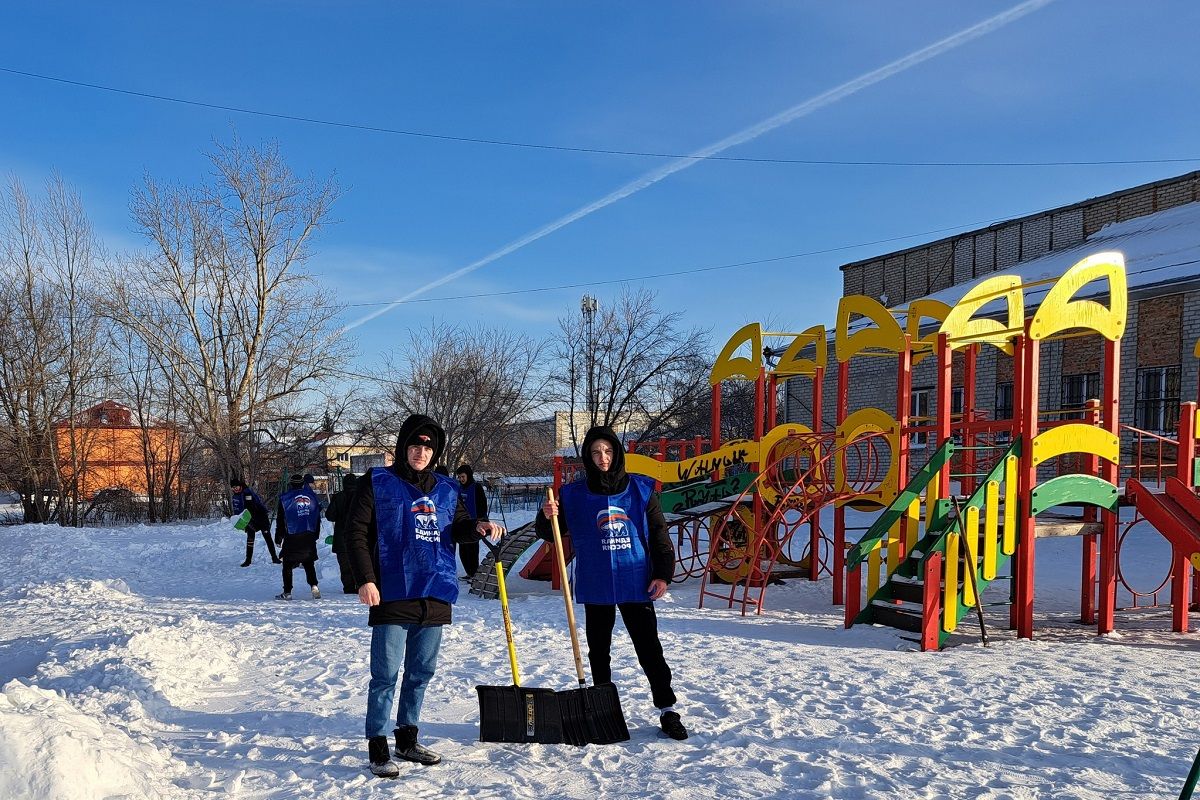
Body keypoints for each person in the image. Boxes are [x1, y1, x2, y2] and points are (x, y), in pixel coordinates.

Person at [344, 414, 505, 778]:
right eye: (415, 445)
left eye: (428, 447)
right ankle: (378, 745)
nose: (421, 452)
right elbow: (354, 532)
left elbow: (459, 528)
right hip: (393, 590)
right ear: (404, 447)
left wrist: (477, 526)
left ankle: (407, 737)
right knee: (385, 674)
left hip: (435, 589)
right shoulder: (378, 481)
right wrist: (365, 579)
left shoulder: (448, 488)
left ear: (436, 452)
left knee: (421, 671)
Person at [535, 425, 688, 741]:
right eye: (595, 452)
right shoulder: (573, 495)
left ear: (617, 453)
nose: (602, 458)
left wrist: (662, 574)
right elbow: (549, 533)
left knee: (649, 649)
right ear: (588, 457)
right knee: (598, 651)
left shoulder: (641, 490)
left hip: (636, 581)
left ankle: (667, 709)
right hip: (597, 582)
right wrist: (546, 514)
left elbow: (660, 535)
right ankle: (604, 709)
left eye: (607, 451)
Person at [274, 473, 323, 601]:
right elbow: (317, 517)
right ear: (303, 484)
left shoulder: (285, 499)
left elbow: (281, 520)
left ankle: (287, 592)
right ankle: (314, 586)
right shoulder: (312, 497)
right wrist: (315, 534)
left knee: (288, 564)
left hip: (292, 534)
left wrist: (279, 537)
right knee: (308, 562)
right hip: (308, 533)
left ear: (291, 484)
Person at [230, 476, 280, 567]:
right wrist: (240, 521)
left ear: (240, 486)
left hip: (260, 517)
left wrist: (247, 517)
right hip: (248, 519)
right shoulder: (235, 497)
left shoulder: (247, 493)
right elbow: (238, 511)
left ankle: (274, 558)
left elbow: (251, 507)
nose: (235, 489)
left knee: (267, 537)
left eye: (236, 487)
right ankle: (248, 560)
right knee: (250, 539)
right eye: (233, 488)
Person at [326, 473, 361, 594]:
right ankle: (359, 585)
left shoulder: (338, 497)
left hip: (342, 537)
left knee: (345, 565)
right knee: (359, 562)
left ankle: (348, 587)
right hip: (359, 535)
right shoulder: (361, 497)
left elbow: (329, 516)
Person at [453, 464, 487, 580]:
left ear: (468, 475)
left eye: (463, 476)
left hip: (474, 524)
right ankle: (469, 573)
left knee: (472, 551)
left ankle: (474, 573)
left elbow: (482, 504)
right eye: (459, 477)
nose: (461, 479)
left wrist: (480, 519)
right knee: (463, 552)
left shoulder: (476, 487)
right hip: (463, 523)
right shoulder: (459, 488)